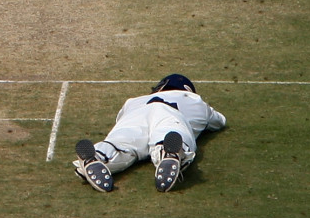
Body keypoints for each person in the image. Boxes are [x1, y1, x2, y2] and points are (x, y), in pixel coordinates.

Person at [73, 74, 225, 193]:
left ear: (161, 86)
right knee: (171, 133)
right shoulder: (195, 100)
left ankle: (99, 155)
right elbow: (219, 122)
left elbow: (120, 120)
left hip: (135, 115)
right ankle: (169, 153)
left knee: (121, 141)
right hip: (170, 115)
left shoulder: (133, 101)